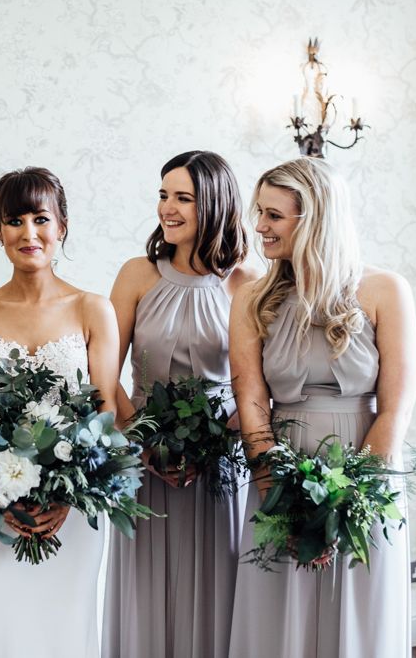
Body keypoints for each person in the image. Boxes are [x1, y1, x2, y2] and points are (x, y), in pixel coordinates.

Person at [229, 157, 416, 657]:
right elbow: (249, 398)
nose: (259, 226)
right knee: (278, 614)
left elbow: (396, 408)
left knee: (356, 614)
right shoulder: (251, 298)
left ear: (312, 220)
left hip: (364, 476)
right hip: (279, 470)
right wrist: (276, 491)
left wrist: (351, 501)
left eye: (273, 215)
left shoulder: (384, 290)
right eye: (259, 213)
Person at [0, 166, 120, 658]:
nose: (29, 233)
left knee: (65, 632)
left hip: (73, 508)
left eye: (41, 218)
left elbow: (104, 413)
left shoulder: (93, 308)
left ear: (62, 225)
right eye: (14, 220)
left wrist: (65, 493)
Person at [102, 150, 256, 658]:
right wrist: (144, 442)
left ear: (213, 205)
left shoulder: (244, 285)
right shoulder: (137, 274)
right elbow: (103, 371)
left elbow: (260, 385)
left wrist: (216, 443)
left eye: (183, 198)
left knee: (219, 584)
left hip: (220, 464)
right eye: (163, 195)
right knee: (148, 589)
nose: (167, 207)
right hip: (145, 461)